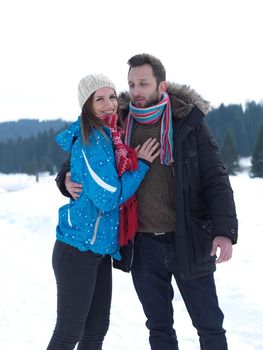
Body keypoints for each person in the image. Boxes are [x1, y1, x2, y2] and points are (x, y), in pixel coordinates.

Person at [56, 55, 238, 350]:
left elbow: (216, 179)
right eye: (131, 84)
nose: (136, 90)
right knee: (159, 327)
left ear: (161, 85)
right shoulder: (119, 123)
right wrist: (64, 179)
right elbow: (81, 160)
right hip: (143, 245)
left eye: (143, 83)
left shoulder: (187, 123)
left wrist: (224, 231)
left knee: (210, 325)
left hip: (188, 239)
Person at [47, 73, 160, 350]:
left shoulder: (111, 135)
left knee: (96, 330)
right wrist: (142, 165)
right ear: (87, 105)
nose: (110, 104)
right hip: (78, 250)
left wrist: (65, 176)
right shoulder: (93, 140)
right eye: (100, 99)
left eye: (112, 96)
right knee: (68, 332)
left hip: (98, 250)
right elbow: (108, 198)